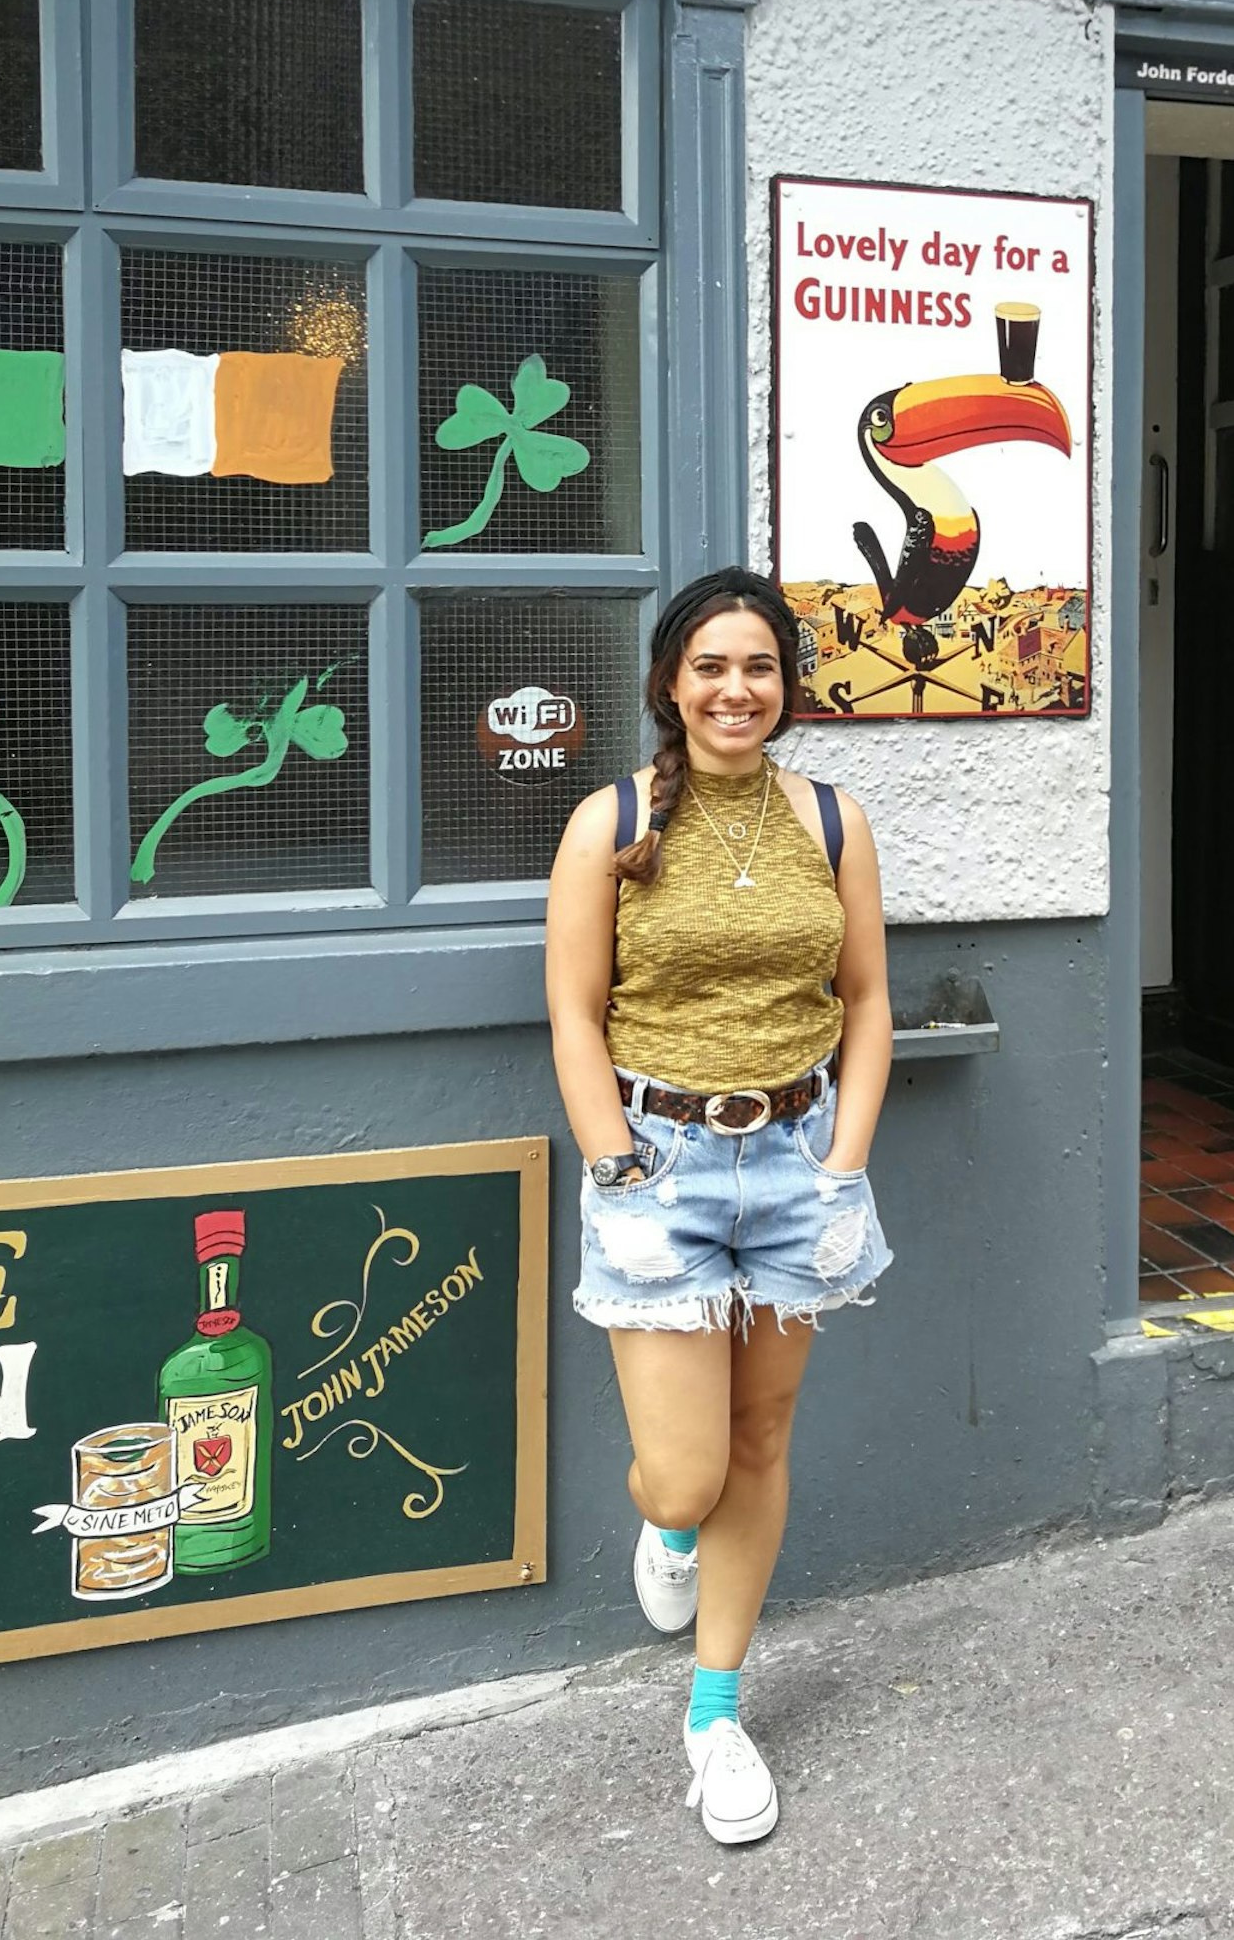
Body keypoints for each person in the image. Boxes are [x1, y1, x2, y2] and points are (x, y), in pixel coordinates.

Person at [545, 566, 893, 1847]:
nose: (736, 689)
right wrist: (619, 1174)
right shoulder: (612, 821)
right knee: (689, 1472)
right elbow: (576, 1018)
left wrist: (845, 1167)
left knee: (760, 1443)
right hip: (663, 1167)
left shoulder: (835, 823)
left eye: (759, 666)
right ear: (670, 683)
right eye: (711, 667)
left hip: (800, 1157)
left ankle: (714, 1711)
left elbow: (865, 1003)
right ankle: (669, 1531)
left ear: (786, 685)